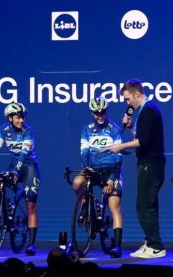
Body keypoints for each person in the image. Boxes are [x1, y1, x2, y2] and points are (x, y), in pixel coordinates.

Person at [109, 79, 166, 259]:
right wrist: (132, 126)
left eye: (128, 99)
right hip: (147, 162)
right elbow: (141, 137)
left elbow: (143, 142)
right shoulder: (143, 111)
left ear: (136, 94)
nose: (128, 103)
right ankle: (150, 242)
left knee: (144, 205)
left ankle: (156, 246)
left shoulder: (149, 110)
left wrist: (121, 146)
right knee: (147, 204)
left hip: (152, 164)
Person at [0, 102, 40, 255]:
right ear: (10, 118)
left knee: (30, 206)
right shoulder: (3, 129)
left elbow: (23, 153)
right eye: (17, 117)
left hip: (29, 167)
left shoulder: (29, 131)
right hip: (14, 165)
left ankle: (31, 244)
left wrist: (16, 171)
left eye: (22, 117)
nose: (21, 120)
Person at [72, 97, 124, 258]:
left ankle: (116, 246)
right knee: (77, 182)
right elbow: (84, 151)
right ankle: (89, 205)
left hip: (111, 172)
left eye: (103, 112)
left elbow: (118, 157)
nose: (100, 115)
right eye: (96, 112)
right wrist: (85, 166)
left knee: (114, 205)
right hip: (92, 170)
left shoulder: (114, 129)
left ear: (107, 111)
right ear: (92, 112)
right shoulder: (87, 129)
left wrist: (111, 179)